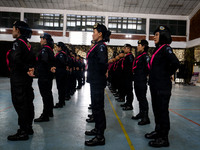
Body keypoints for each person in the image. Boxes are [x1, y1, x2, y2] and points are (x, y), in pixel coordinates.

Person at [145, 25, 180, 147]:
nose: (154, 37)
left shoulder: (166, 49)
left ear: (163, 36)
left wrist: (166, 74)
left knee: (162, 111)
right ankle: (158, 131)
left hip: (162, 86)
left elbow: (175, 62)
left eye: (157, 35)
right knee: (156, 110)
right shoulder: (157, 49)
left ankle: (164, 138)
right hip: (155, 85)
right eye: (154, 35)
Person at [7, 21, 35, 141]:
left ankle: (23, 131)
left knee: (20, 103)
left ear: (18, 30)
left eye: (13, 28)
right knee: (28, 102)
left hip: (19, 78)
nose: (12, 30)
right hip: (26, 79)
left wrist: (25, 69)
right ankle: (28, 127)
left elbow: (15, 58)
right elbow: (33, 59)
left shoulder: (18, 43)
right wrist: (29, 69)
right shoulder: (27, 43)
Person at [85, 23, 111, 146]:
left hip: (97, 81)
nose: (93, 33)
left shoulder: (101, 46)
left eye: (94, 31)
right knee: (95, 106)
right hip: (95, 80)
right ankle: (97, 129)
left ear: (100, 34)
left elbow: (103, 63)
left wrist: (100, 76)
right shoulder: (97, 46)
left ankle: (100, 136)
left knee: (98, 108)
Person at [34, 33, 55, 122]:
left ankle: (45, 115)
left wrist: (38, 70)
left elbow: (44, 61)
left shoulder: (45, 50)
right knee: (48, 94)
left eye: (41, 38)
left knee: (45, 95)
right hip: (48, 76)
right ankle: (49, 111)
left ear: (45, 39)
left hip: (44, 75)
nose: (40, 40)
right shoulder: (50, 49)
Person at [131, 40, 150, 125]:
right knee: (139, 98)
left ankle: (146, 117)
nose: (138, 47)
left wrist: (144, 75)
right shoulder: (140, 56)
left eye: (139, 45)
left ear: (143, 46)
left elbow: (149, 67)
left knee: (142, 98)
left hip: (141, 80)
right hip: (137, 79)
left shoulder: (145, 56)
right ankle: (141, 113)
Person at [52, 42, 68, 108]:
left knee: (60, 88)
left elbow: (62, 62)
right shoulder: (63, 54)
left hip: (60, 73)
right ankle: (62, 101)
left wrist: (56, 68)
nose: (56, 48)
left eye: (57, 47)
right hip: (61, 72)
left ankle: (60, 102)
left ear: (60, 47)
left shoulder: (61, 54)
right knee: (62, 88)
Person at [120, 44, 134, 110]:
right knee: (126, 89)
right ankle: (127, 102)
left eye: (125, 48)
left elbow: (131, 66)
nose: (124, 49)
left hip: (128, 76)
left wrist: (129, 74)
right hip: (125, 75)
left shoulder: (130, 56)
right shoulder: (127, 56)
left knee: (129, 90)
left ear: (128, 49)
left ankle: (130, 104)